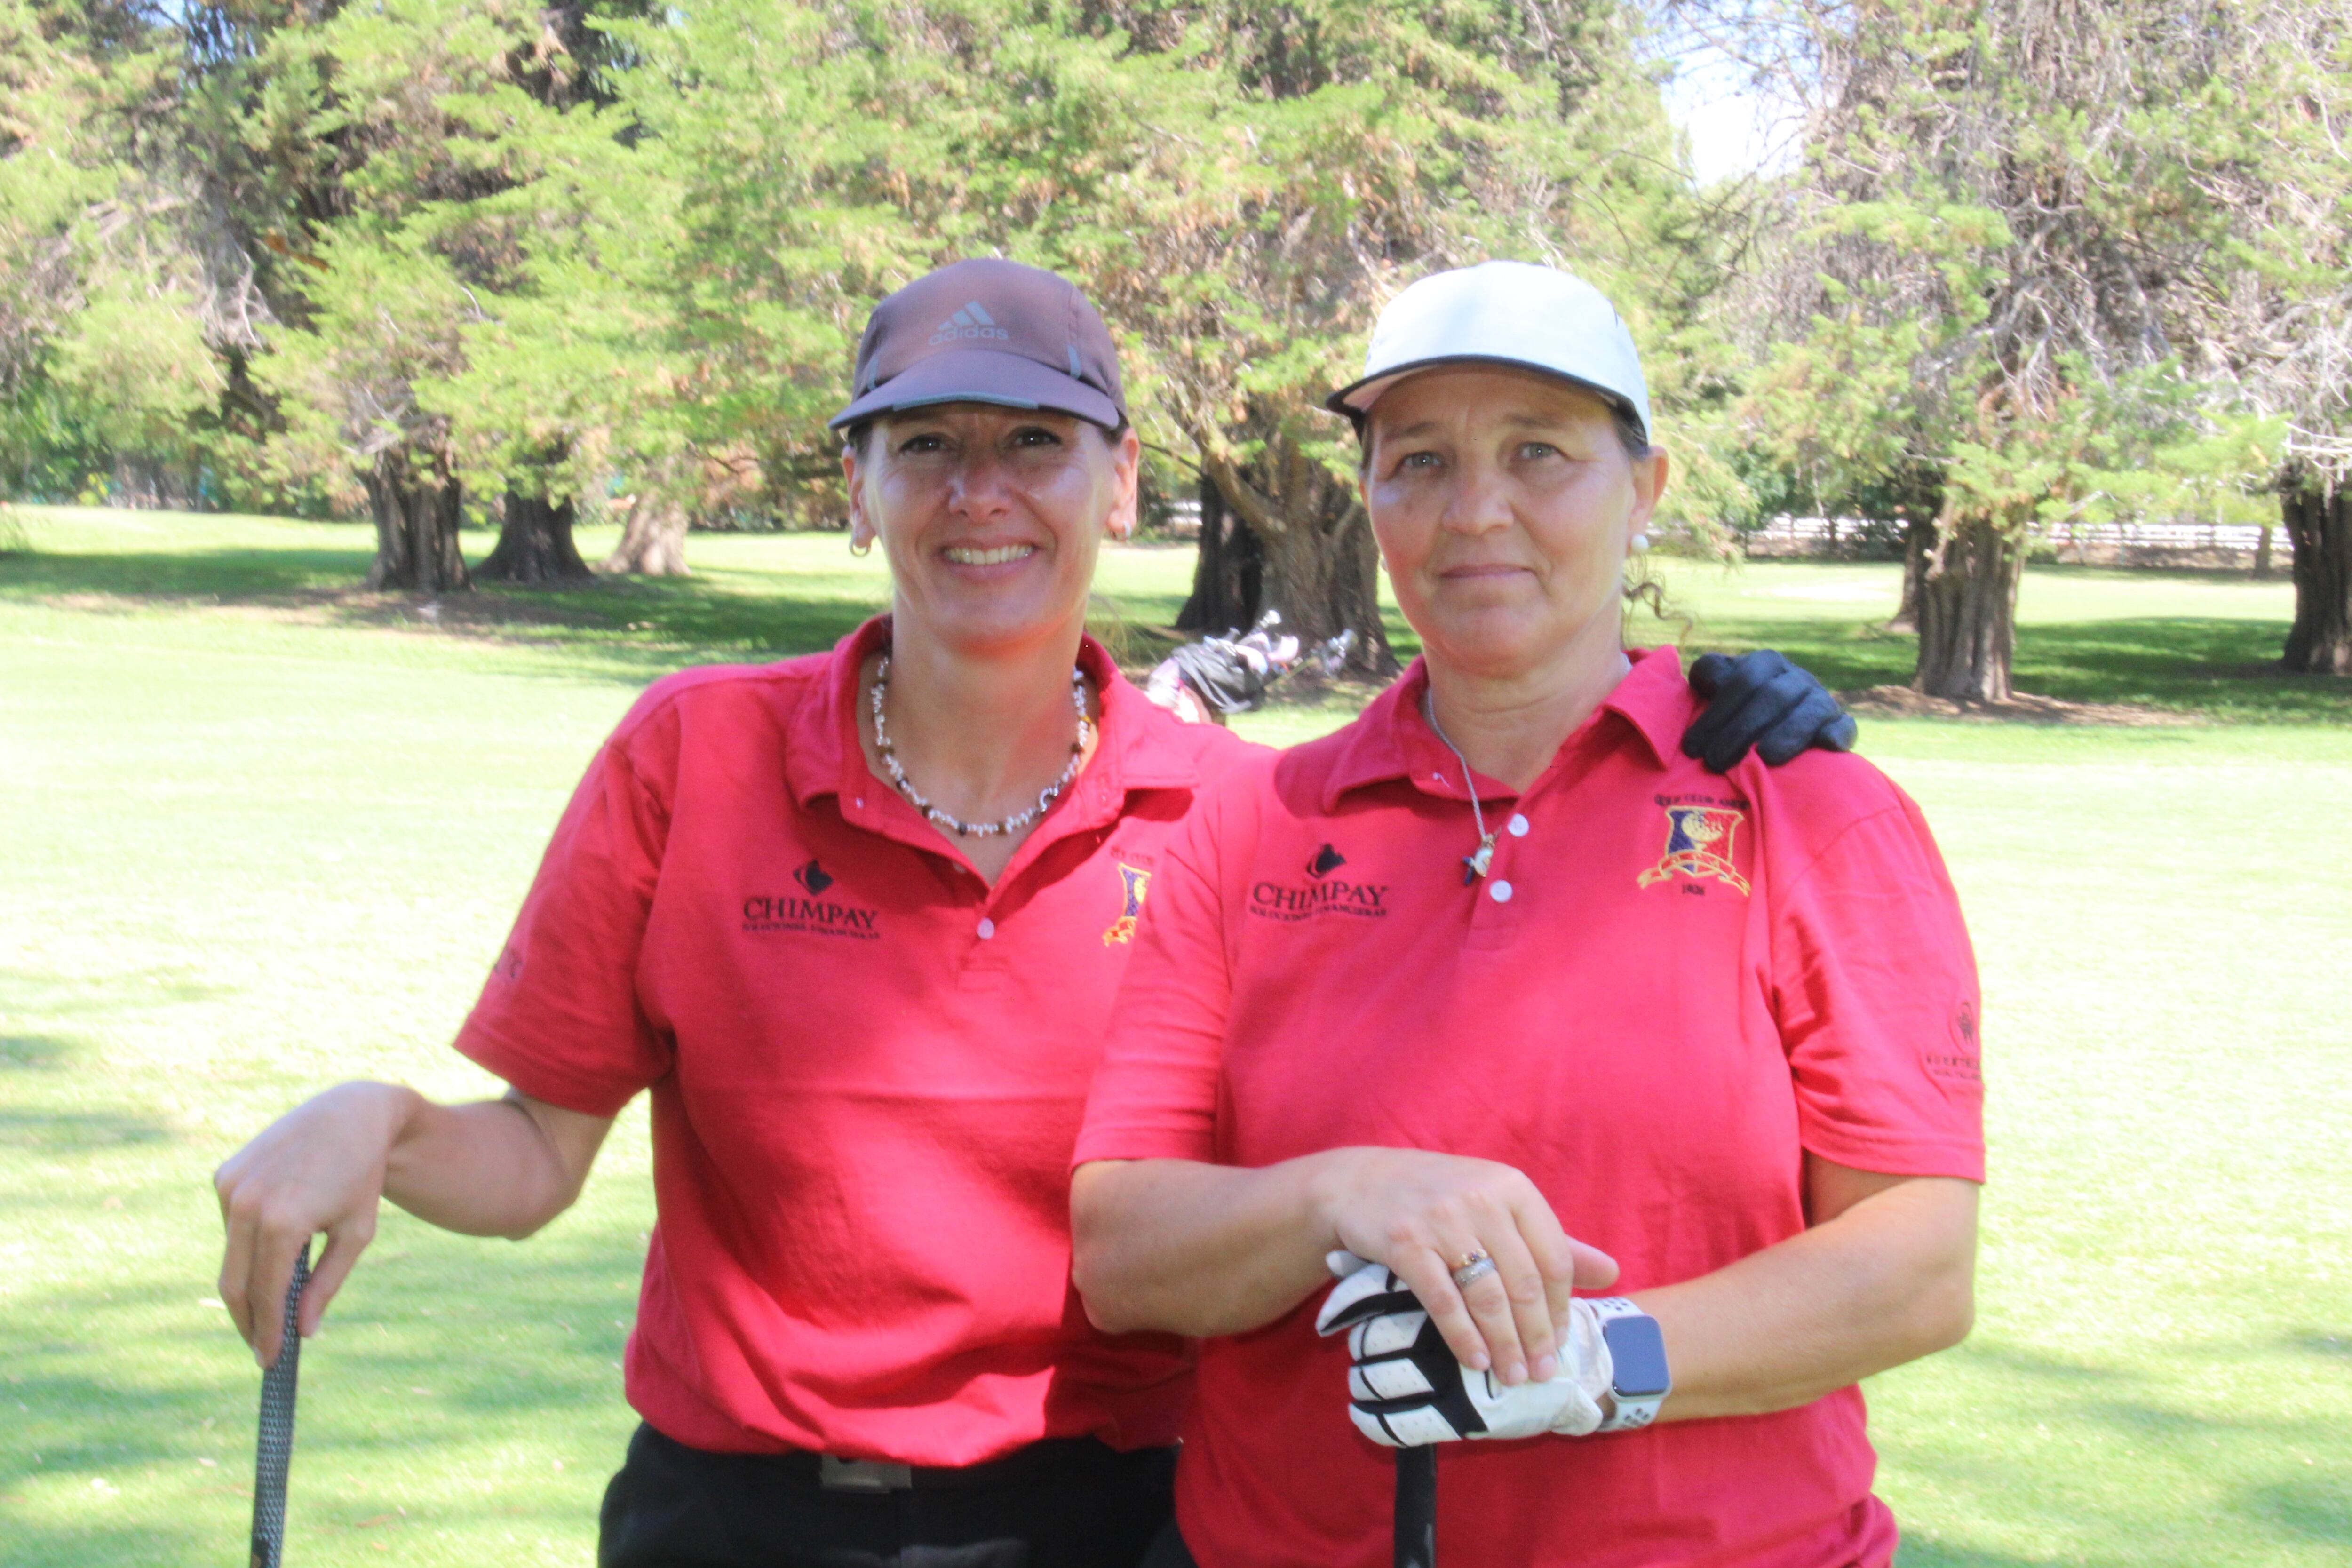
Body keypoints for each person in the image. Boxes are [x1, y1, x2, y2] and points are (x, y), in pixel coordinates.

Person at [211, 258, 1855, 1568]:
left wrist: (1700, 695)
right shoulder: (689, 756)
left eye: (1033, 443)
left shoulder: (1240, 816)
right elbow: (535, 1155)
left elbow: (1491, 941)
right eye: (924, 444)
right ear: (857, 486)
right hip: (733, 1515)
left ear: (1121, 484)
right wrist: (386, 1127)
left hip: (1106, 1510)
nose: (978, 492)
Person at [1069, 260, 1985, 1568]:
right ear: (1372, 499)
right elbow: (1124, 1256)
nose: (1475, 511)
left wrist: (1593, 1359)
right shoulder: (1254, 824)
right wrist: (1338, 1193)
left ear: (1645, 489)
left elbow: (1916, 1265)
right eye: (1421, 462)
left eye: (1540, 453)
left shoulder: (1818, 815)